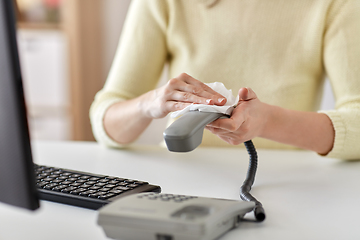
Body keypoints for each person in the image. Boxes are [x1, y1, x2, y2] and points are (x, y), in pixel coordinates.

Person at [90, 0, 360, 160]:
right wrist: (150, 103)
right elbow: (106, 122)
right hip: (181, 179)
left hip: (289, 183)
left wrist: (266, 121)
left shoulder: (336, 4)